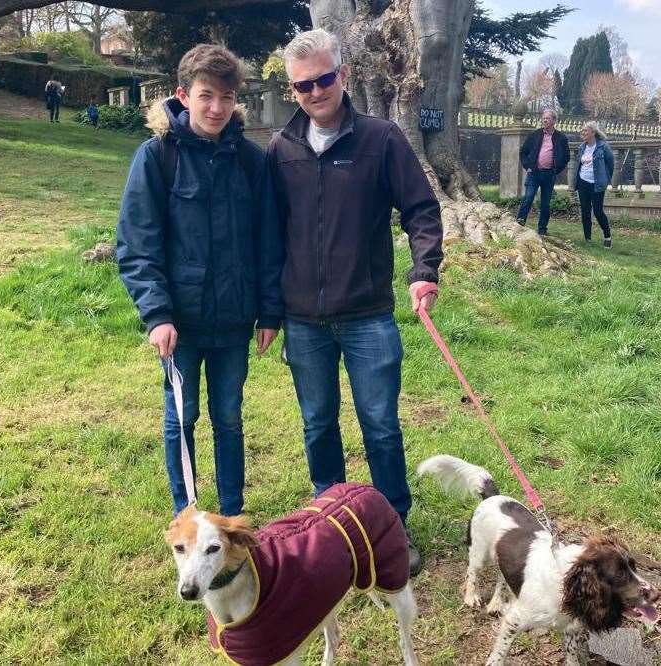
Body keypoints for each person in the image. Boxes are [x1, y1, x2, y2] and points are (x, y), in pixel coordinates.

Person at [268, 29, 443, 577]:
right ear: (292, 88)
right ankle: (329, 519)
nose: (315, 91)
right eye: (303, 85)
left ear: (343, 76)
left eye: (324, 79)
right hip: (303, 320)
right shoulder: (281, 149)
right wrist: (267, 307)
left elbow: (420, 208)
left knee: (380, 424)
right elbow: (268, 231)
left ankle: (392, 525)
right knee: (317, 423)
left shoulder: (382, 139)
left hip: (367, 314)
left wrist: (423, 270)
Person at [117, 44, 282, 517]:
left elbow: (268, 244)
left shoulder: (253, 162)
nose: (216, 108)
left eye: (227, 97)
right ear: (183, 95)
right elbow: (136, 245)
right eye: (206, 95)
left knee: (228, 418)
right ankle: (186, 515)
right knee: (181, 418)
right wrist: (157, 315)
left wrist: (269, 311)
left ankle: (232, 515)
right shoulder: (155, 158)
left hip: (234, 322)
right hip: (180, 325)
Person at [516, 108, 570, 235]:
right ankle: (519, 223)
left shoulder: (561, 138)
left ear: (554, 121)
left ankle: (542, 229)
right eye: (544, 118)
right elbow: (523, 151)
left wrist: (556, 169)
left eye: (548, 118)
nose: (545, 120)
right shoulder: (535, 135)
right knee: (528, 198)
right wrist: (527, 166)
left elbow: (566, 157)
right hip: (534, 173)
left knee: (545, 203)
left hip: (549, 174)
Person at [576, 121, 614, 248]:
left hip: (596, 184)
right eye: (582, 130)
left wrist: (605, 179)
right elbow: (579, 164)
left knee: (598, 211)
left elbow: (610, 164)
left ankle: (607, 236)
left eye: (585, 130)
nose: (583, 133)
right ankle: (588, 239)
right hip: (582, 182)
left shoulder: (603, 147)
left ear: (593, 132)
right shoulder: (582, 147)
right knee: (585, 211)